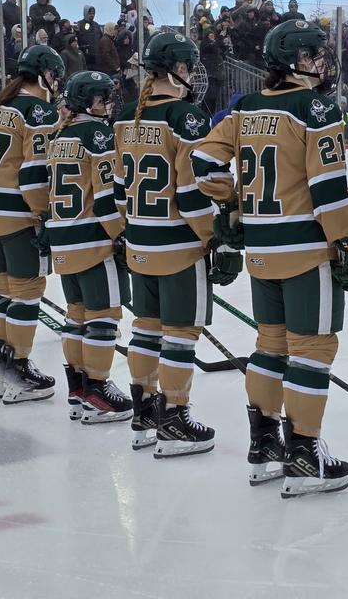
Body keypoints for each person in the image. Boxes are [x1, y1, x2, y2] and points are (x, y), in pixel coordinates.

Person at [192, 19, 348, 497]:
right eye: (314, 56)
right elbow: (328, 189)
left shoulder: (246, 108)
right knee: (313, 350)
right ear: (294, 62)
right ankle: (305, 453)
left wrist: (232, 202)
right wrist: (347, 241)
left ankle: (265, 446)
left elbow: (203, 162)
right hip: (306, 250)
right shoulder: (316, 108)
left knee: (270, 345)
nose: (322, 64)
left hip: (261, 249)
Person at [114, 32, 235, 457]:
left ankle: (144, 414)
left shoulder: (126, 116)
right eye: (189, 67)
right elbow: (190, 193)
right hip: (179, 247)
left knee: (145, 329)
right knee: (181, 335)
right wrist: (216, 238)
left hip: (139, 242)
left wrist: (130, 231)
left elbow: (118, 190)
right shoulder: (186, 116)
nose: (193, 75)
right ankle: (174, 419)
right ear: (178, 69)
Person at [0, 44, 63, 404]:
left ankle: (5, 369)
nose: (56, 83)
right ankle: (19, 371)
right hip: (17, 214)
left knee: (6, 289)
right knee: (27, 292)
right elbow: (34, 173)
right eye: (54, 75)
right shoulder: (38, 111)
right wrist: (44, 215)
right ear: (43, 75)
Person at [44, 71, 133, 423]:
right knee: (103, 317)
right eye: (104, 98)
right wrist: (121, 234)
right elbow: (105, 197)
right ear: (90, 102)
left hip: (63, 238)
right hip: (93, 239)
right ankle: (97, 390)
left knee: (76, 315)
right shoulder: (98, 135)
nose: (109, 104)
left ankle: (79, 390)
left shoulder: (59, 136)